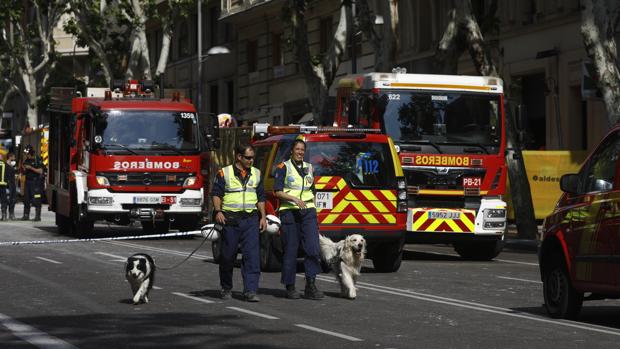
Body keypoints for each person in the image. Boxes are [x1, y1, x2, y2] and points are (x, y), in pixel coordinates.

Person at [211, 144, 267, 302]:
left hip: (250, 220)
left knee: (252, 257)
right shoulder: (224, 173)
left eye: (252, 158)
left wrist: (263, 217)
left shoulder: (256, 173)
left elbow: (260, 197)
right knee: (228, 257)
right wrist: (218, 211)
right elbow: (216, 194)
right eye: (248, 157)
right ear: (239, 157)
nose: (251, 160)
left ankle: (250, 290)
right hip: (230, 220)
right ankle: (226, 288)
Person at [274, 139, 324, 300]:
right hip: (290, 211)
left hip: (308, 212)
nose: (300, 152)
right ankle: (290, 286)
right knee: (291, 250)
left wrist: (314, 209)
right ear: (292, 151)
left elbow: (313, 190)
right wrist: (294, 199)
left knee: (313, 248)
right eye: (297, 149)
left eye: (302, 150)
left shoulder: (309, 168)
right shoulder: (283, 167)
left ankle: (311, 285)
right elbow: (277, 191)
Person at [21, 145, 44, 221]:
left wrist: (31, 168)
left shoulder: (37, 160)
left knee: (36, 199)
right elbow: (24, 172)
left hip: (36, 182)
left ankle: (37, 216)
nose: (26, 155)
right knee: (26, 199)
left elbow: (40, 171)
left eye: (27, 154)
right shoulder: (26, 161)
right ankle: (26, 215)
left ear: (30, 153)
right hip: (28, 182)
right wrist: (23, 169)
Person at [1, 153, 17, 220]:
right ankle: (5, 215)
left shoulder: (11, 165)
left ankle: (11, 215)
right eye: (14, 157)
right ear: (10, 157)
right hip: (8, 185)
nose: (15, 158)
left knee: (12, 199)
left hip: (12, 184)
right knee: (5, 200)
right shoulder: (5, 165)